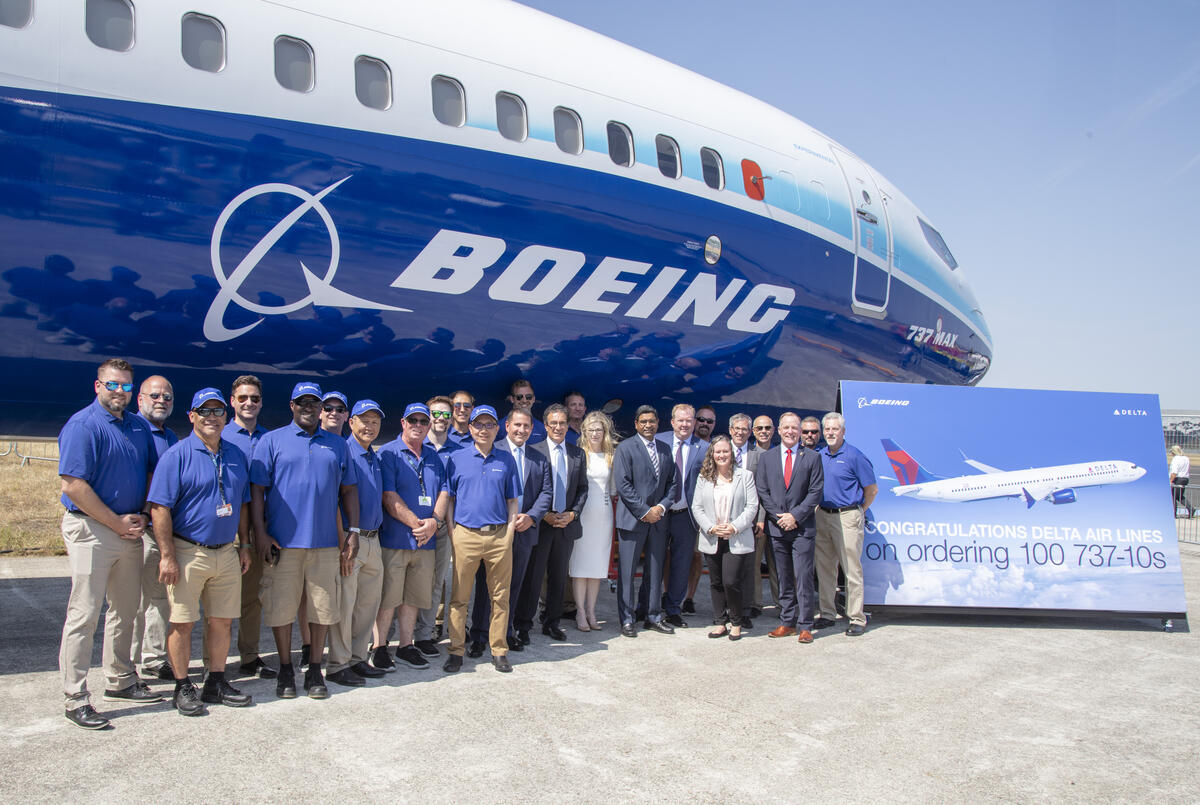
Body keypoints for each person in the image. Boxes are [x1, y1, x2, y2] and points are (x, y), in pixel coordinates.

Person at [58, 359, 162, 729]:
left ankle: (120, 679)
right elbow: (73, 484)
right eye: (113, 385)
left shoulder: (137, 426)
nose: (120, 392)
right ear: (97, 386)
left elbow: (153, 471)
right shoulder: (83, 426)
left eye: (126, 387)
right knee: (84, 614)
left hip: (130, 529)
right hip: (92, 530)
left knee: (125, 610)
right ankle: (75, 696)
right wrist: (114, 522)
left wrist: (145, 513)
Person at [146, 388, 253, 715]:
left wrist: (244, 544)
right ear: (192, 416)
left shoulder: (235, 454)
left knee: (221, 621)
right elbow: (159, 508)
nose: (212, 418)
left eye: (218, 412)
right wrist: (167, 555)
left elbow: (243, 504)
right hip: (188, 550)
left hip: (226, 552)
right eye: (204, 412)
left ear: (226, 417)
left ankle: (215, 681)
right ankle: (182, 686)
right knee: (182, 622)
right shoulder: (176, 456)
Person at [250, 382, 359, 699]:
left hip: (324, 544)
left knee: (322, 611)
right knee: (281, 609)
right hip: (283, 544)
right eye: (303, 402)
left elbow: (348, 490)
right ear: (292, 405)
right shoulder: (272, 441)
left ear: (322, 408)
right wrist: (261, 532)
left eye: (316, 402)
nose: (309, 407)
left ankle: (314, 670)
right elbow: (257, 491)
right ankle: (286, 668)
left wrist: (352, 531)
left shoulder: (336, 445)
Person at [443, 405, 521, 673]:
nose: (483, 429)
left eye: (489, 425)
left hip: (499, 535)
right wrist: (453, 532)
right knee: (459, 597)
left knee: (500, 597)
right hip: (465, 535)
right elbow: (450, 498)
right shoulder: (457, 458)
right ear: (471, 428)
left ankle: (499, 650)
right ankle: (455, 650)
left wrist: (509, 532)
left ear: (497, 429)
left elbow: (513, 500)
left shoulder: (506, 460)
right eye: (478, 425)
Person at [374, 403, 450, 672]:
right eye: (413, 420)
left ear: (428, 426)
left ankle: (406, 646)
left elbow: (443, 491)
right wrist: (418, 524)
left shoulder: (433, 456)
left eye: (423, 421)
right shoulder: (388, 453)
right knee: (388, 597)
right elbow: (388, 495)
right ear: (403, 423)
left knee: (413, 597)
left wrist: (434, 522)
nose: (418, 425)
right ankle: (379, 647)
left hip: (425, 541)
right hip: (396, 540)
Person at [470, 407, 551, 653]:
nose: (521, 430)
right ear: (507, 426)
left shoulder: (539, 458)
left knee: (514, 585)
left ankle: (505, 631)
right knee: (487, 585)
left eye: (526, 426)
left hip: (524, 531)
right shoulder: (494, 452)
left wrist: (532, 517)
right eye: (517, 425)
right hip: (495, 531)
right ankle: (479, 635)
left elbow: (546, 493)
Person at [326, 400, 388, 688]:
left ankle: (357, 658)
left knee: (367, 604)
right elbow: (336, 501)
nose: (369, 426)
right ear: (350, 423)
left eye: (375, 421)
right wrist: (344, 539)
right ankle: (338, 664)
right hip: (352, 540)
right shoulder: (344, 452)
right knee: (346, 604)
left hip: (374, 539)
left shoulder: (372, 455)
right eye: (364, 420)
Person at [222, 375, 275, 679]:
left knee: (250, 599)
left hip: (257, 530)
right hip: (226, 530)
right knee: (220, 600)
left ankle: (250, 656)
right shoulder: (221, 435)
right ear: (233, 401)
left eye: (254, 398)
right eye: (243, 398)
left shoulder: (269, 439)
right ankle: (214, 663)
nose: (249, 403)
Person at [520, 404, 588, 639]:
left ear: (568, 425)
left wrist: (573, 514)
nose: (558, 427)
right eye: (553, 423)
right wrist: (543, 514)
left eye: (562, 423)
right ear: (546, 426)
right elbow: (528, 491)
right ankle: (524, 625)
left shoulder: (577, 453)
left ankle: (552, 623)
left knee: (560, 577)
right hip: (540, 525)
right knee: (534, 577)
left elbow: (582, 489)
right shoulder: (533, 452)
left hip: (565, 524)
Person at [755, 412, 824, 643]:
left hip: (802, 528)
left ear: (799, 430)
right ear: (779, 429)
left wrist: (795, 516)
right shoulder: (768, 458)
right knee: (783, 577)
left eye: (795, 427)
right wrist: (779, 517)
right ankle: (787, 622)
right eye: (786, 427)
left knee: (803, 577)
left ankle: (805, 625)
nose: (790, 431)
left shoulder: (812, 457)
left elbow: (815, 492)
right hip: (778, 528)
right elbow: (763, 491)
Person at [613, 405, 679, 637]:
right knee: (627, 573)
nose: (648, 425)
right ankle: (627, 619)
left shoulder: (664, 449)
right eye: (643, 422)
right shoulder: (625, 448)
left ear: (657, 422)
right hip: (633, 520)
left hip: (658, 520)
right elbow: (623, 485)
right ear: (636, 424)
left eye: (651, 421)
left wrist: (660, 507)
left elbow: (673, 483)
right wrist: (644, 511)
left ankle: (653, 615)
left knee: (655, 570)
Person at [129, 375, 178, 681]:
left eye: (167, 397)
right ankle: (127, 664)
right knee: (132, 602)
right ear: (140, 399)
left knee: (158, 597)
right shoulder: (132, 430)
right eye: (155, 395)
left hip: (160, 529)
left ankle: (153, 657)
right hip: (139, 527)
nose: (161, 401)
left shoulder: (171, 437)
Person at [815, 412, 877, 637]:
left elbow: (872, 489)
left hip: (847, 516)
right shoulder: (819, 455)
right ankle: (827, 614)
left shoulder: (854, 456)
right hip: (823, 515)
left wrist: (859, 511)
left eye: (835, 429)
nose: (830, 433)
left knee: (851, 569)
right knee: (824, 568)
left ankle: (856, 618)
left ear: (843, 432)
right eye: (827, 429)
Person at [692, 435, 759, 640]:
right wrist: (711, 528)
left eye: (725, 451)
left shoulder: (744, 476)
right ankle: (720, 621)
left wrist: (734, 527)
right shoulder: (704, 477)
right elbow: (697, 506)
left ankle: (736, 622)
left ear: (732, 453)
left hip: (735, 536)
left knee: (731, 581)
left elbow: (752, 506)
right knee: (716, 581)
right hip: (712, 537)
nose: (722, 455)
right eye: (718, 452)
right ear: (712, 454)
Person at [413, 395, 461, 652]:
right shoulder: (416, 446)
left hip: (443, 526)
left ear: (452, 419)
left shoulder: (459, 451)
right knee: (407, 581)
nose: (440, 419)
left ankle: (424, 632)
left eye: (445, 415)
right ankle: (395, 635)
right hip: (414, 526)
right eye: (436, 414)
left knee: (436, 581)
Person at [655, 404, 707, 626]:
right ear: (672, 422)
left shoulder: (704, 447)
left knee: (681, 562)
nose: (685, 424)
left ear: (694, 422)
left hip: (686, 515)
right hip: (659, 513)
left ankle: (673, 609)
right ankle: (646, 605)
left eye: (689, 420)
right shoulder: (658, 441)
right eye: (681, 420)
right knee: (654, 560)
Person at [570, 411, 618, 630]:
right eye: (591, 429)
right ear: (584, 432)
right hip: (583, 514)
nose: (595, 433)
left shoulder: (611, 456)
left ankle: (591, 610)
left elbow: (615, 488)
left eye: (599, 429)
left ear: (605, 432)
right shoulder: (579, 455)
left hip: (604, 514)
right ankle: (580, 611)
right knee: (580, 565)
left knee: (597, 567)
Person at [729, 412, 772, 618]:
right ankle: (729, 605)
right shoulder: (721, 452)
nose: (740, 433)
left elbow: (763, 491)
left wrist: (761, 520)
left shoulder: (760, 456)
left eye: (744, 429)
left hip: (752, 519)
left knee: (751, 564)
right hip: (725, 520)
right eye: (737, 429)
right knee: (727, 566)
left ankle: (752, 604)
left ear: (750, 432)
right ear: (730, 430)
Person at [498, 379, 547, 445]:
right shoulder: (499, 427)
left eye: (528, 397)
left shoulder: (541, 429)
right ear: (512, 399)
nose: (524, 400)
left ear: (533, 399)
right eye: (519, 397)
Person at [1170, 445, 1193, 518]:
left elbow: (1174, 472)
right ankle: (1191, 509)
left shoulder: (1175, 459)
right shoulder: (1186, 458)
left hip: (1178, 479)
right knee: (1179, 496)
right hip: (1185, 478)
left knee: (1173, 496)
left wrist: (1170, 481)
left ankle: (1173, 513)